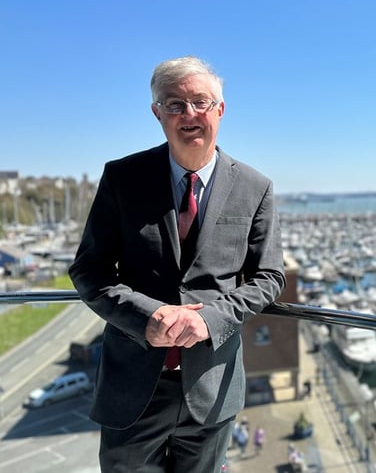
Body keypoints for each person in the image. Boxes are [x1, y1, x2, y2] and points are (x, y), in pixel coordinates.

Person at [69, 55, 286, 472]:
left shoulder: (256, 187)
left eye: (201, 103)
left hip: (213, 386)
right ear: (157, 113)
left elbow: (270, 276)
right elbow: (88, 270)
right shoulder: (122, 178)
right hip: (132, 384)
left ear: (220, 110)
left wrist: (212, 319)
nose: (189, 115)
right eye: (174, 104)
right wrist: (145, 316)